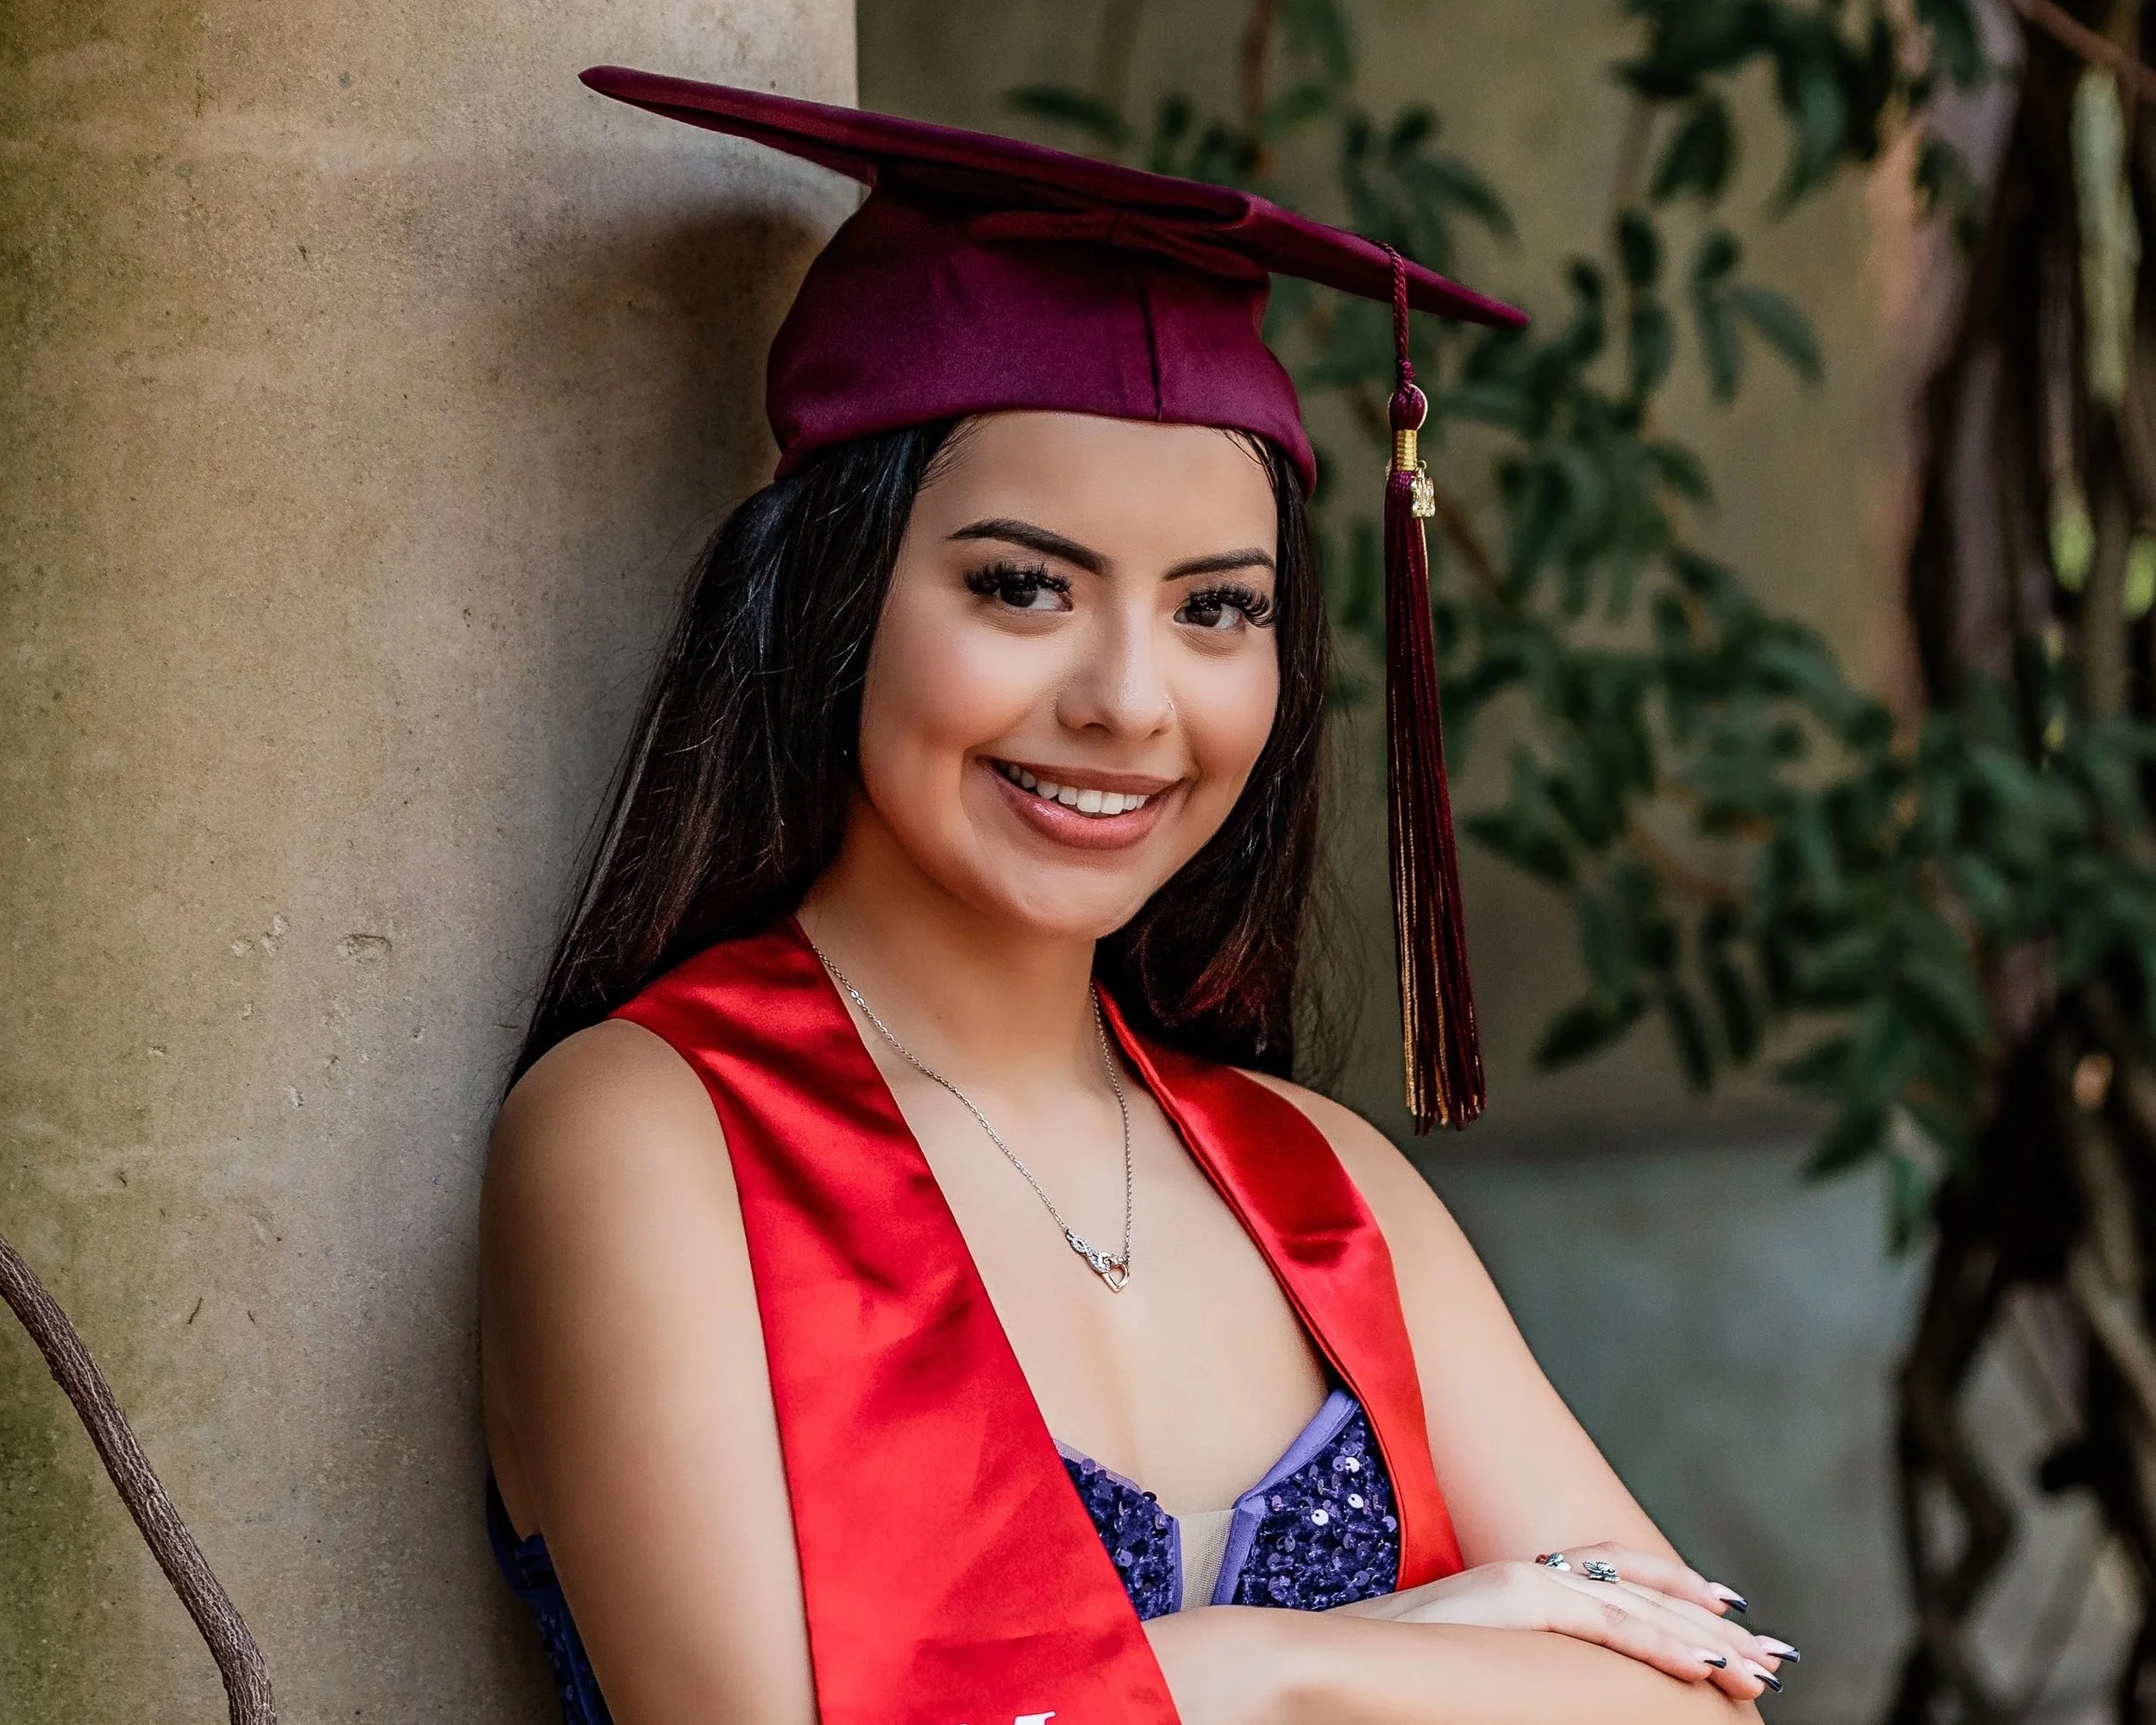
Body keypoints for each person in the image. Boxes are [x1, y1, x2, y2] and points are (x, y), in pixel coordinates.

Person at [479, 71, 1796, 1725]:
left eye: (1216, 610)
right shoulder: (649, 1139)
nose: (1127, 700)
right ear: (838, 595)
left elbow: (1701, 1707)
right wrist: (1304, 1669)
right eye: (1021, 587)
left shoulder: (1324, 1187)